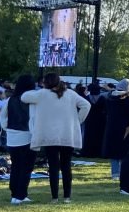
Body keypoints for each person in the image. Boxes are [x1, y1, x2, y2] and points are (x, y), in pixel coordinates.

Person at [21, 73, 91, 203]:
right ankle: (67, 196)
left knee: (53, 167)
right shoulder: (70, 94)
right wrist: (77, 120)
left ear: (46, 83)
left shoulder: (42, 94)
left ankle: (54, 197)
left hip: (50, 136)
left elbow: (24, 97)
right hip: (67, 135)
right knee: (66, 166)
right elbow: (86, 105)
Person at [0, 74, 37, 204]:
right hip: (27, 136)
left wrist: (7, 128)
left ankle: (14, 193)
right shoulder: (32, 100)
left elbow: (3, 116)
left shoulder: (11, 100)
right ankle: (21, 195)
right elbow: (34, 117)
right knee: (26, 167)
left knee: (16, 166)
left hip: (12, 137)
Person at [102, 79, 129, 180]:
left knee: (114, 151)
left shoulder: (109, 97)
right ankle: (124, 172)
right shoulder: (128, 98)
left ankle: (115, 173)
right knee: (125, 151)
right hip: (126, 127)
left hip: (112, 126)